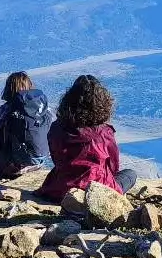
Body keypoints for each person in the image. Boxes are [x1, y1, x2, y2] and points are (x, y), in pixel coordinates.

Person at [37, 75, 136, 203]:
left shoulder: (56, 127)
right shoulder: (104, 133)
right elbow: (113, 166)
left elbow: (56, 158)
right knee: (130, 174)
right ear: (102, 103)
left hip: (60, 189)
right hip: (96, 191)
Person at [0, 71, 52, 178]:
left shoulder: (5, 109)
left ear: (8, 89)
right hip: (39, 162)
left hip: (14, 165)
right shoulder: (43, 109)